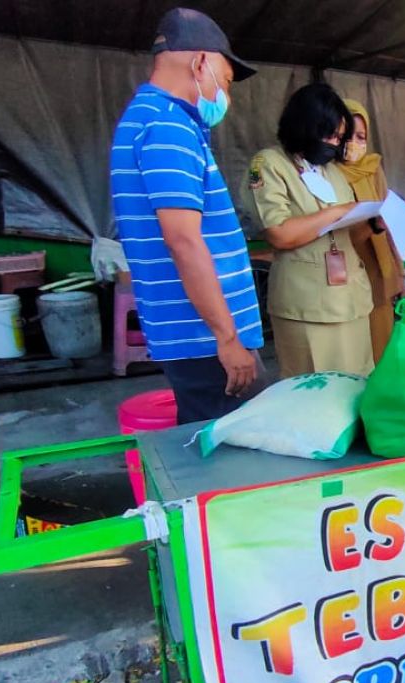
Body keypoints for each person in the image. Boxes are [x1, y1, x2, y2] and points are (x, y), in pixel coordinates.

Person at [110, 7, 262, 425]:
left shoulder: (153, 120)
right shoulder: (167, 126)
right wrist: (228, 338)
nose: (225, 96)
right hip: (205, 341)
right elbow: (183, 240)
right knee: (230, 460)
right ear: (200, 63)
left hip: (199, 336)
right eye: (226, 81)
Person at [243, 84, 376, 379]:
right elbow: (279, 233)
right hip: (308, 304)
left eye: (339, 137)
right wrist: (336, 212)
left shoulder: (332, 172)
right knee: (313, 389)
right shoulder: (269, 164)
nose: (333, 143)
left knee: (358, 384)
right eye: (328, 133)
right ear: (304, 125)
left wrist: (372, 221)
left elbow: (346, 235)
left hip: (351, 299)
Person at [338, 98, 404, 363]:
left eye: (361, 136)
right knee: (355, 357)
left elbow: (390, 226)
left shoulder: (373, 169)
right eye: (347, 135)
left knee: (383, 350)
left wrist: (398, 273)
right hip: (349, 273)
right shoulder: (327, 172)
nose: (355, 142)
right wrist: (370, 223)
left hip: (381, 272)